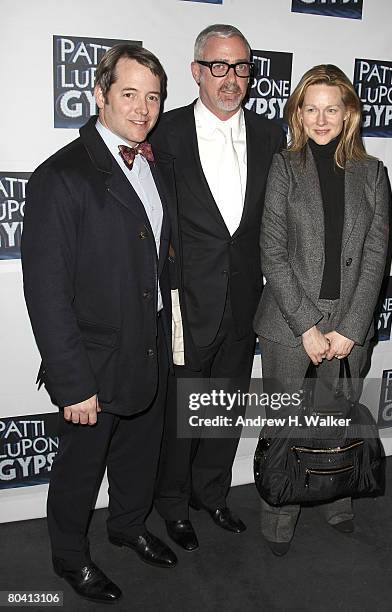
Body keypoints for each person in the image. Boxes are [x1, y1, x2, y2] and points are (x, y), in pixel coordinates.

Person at [21, 44, 178, 603]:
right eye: (129, 94)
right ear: (99, 96)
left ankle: (129, 525)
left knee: (140, 453)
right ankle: (69, 557)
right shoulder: (60, 177)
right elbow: (44, 293)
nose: (142, 108)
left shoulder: (154, 162)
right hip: (93, 360)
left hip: (150, 345)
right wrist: (73, 382)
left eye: (152, 96)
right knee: (79, 471)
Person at [150, 24, 284, 551]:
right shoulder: (165, 133)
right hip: (185, 301)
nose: (232, 79)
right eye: (219, 66)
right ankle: (174, 504)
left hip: (247, 299)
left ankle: (213, 494)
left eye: (241, 67)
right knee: (182, 412)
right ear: (196, 71)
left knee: (226, 406)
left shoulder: (272, 136)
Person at [254, 64, 389, 556]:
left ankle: (337, 499)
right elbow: (272, 251)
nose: (321, 118)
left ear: (349, 112)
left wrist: (351, 328)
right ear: (297, 114)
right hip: (290, 324)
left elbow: (377, 254)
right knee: (287, 422)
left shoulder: (372, 172)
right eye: (310, 108)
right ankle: (280, 512)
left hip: (350, 324)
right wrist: (307, 326)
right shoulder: (284, 166)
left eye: (332, 108)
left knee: (339, 418)